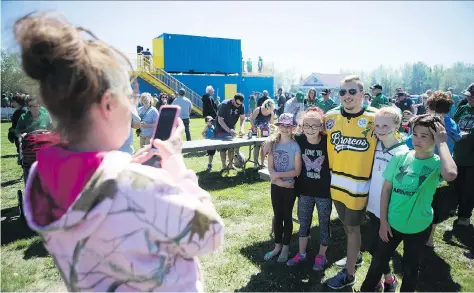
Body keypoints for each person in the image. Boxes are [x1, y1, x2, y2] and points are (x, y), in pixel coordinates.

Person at [15, 11, 224, 292]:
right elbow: (211, 234)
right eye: (131, 96)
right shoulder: (133, 184)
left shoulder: (41, 175)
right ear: (109, 104)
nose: (133, 106)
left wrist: (128, 167)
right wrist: (176, 166)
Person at [361, 114, 457, 292]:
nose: (417, 139)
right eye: (415, 134)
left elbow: (451, 174)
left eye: (424, 136)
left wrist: (442, 143)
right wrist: (383, 221)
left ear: (435, 138)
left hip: (418, 228)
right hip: (391, 223)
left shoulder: (437, 164)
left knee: (411, 269)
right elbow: (386, 190)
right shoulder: (401, 157)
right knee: (377, 264)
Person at [324, 75, 378, 290]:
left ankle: (349, 275)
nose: (347, 96)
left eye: (352, 92)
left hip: (360, 186)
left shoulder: (375, 118)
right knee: (347, 227)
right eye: (343, 92)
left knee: (353, 228)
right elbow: (307, 132)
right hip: (336, 184)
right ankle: (354, 257)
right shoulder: (330, 116)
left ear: (362, 94)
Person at [365, 106, 409, 291]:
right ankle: (388, 278)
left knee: (381, 251)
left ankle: (384, 281)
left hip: (388, 213)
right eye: (377, 125)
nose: (380, 129)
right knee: (372, 246)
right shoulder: (375, 145)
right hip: (371, 207)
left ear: (397, 126)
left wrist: (386, 218)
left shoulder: (403, 153)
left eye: (385, 125)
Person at [286, 107, 332, 271]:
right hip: (304, 191)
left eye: (315, 126)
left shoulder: (328, 142)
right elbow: (281, 136)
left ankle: (322, 255)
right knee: (303, 222)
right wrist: (270, 141)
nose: (310, 129)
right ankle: (302, 253)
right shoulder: (299, 139)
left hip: (324, 193)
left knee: (323, 223)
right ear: (302, 126)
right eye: (307, 126)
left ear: (321, 127)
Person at [264, 113, 302, 262]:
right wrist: (279, 182)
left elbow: (297, 171)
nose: (285, 129)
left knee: (287, 216)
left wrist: (279, 177)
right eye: (282, 126)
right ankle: (277, 246)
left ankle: (286, 247)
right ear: (278, 127)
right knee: (277, 216)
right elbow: (270, 168)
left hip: (290, 187)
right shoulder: (273, 144)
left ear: (293, 128)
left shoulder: (295, 146)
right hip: (277, 186)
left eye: (288, 126)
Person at [452, 82, 474, 227]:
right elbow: (453, 124)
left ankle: (464, 216)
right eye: (469, 96)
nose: (470, 99)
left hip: (472, 158)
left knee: (469, 189)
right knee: (455, 185)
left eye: (473, 97)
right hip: (458, 155)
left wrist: (468, 136)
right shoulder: (462, 108)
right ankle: (455, 209)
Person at [215, 93, 246, 171]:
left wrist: (241, 129)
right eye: (237, 103)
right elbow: (220, 120)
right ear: (233, 100)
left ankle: (230, 165)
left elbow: (242, 118)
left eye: (240, 104)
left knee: (231, 147)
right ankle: (224, 165)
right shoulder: (224, 105)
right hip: (221, 128)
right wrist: (229, 130)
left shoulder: (241, 105)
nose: (238, 105)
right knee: (223, 148)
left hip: (232, 128)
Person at [250, 99, 275, 168]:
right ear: (266, 106)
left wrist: (272, 127)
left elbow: (271, 123)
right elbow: (252, 119)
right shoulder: (258, 110)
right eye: (271, 108)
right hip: (257, 131)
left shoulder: (272, 113)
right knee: (256, 147)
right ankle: (255, 163)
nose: (271, 110)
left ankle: (262, 163)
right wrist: (253, 127)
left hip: (265, 131)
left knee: (264, 147)